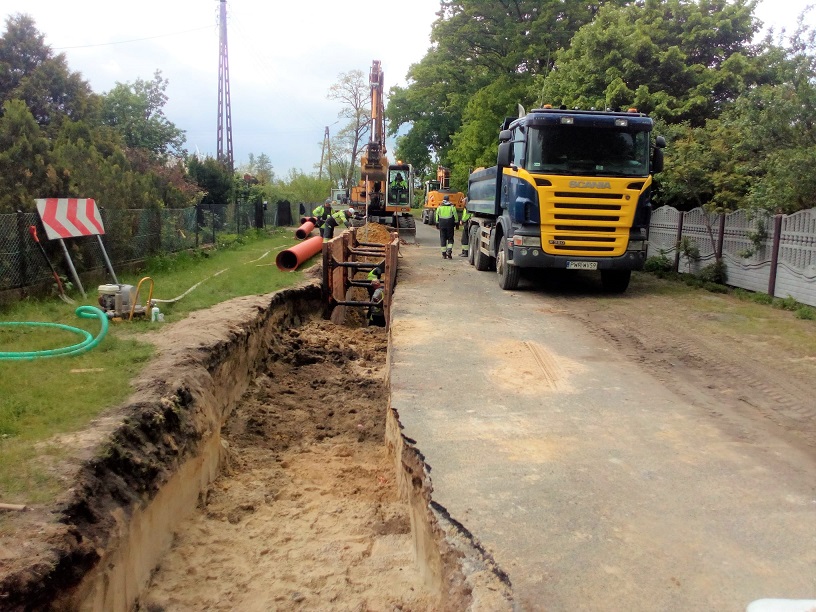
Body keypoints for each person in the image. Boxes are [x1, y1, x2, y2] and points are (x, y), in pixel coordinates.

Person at [435, 194, 459, 259]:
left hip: (442, 225)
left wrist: (437, 224)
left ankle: (443, 254)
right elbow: (455, 216)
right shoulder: (452, 207)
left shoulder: (439, 207)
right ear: (448, 199)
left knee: (443, 238)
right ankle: (449, 251)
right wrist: (457, 224)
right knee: (450, 239)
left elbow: (437, 215)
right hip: (450, 225)